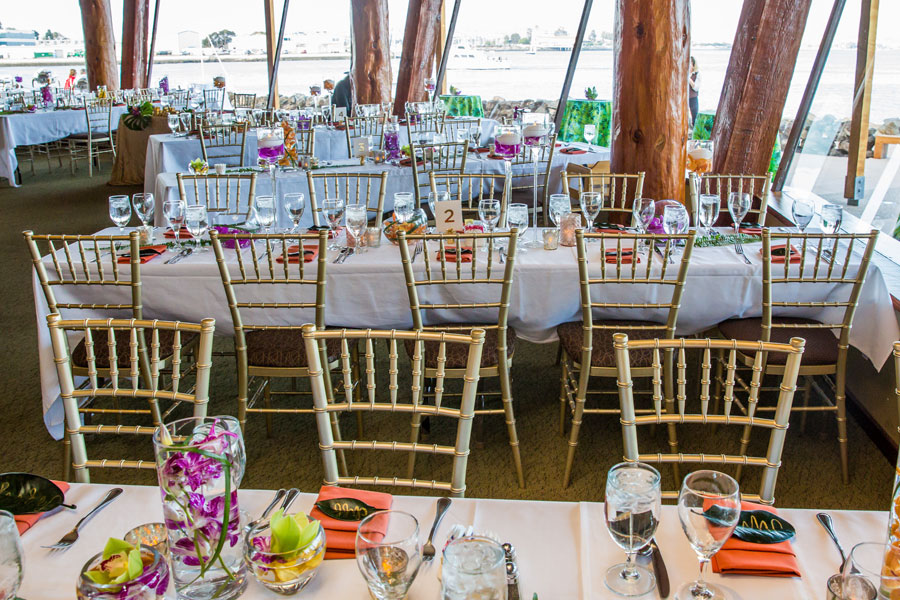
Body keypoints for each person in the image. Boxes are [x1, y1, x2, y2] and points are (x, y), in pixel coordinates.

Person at [688, 56, 700, 128]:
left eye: (690, 63)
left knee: (694, 118)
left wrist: (688, 79)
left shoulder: (697, 74)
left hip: (693, 98)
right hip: (684, 98)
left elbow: (696, 88)